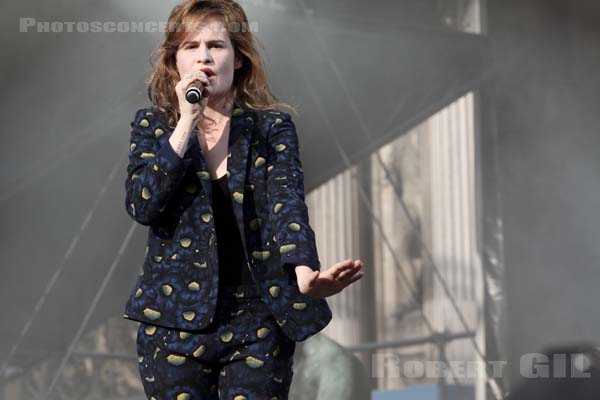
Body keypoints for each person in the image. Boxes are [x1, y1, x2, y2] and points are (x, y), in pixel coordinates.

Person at [122, 1, 364, 398]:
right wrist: (185, 123)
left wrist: (305, 273)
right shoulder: (152, 126)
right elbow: (142, 203)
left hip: (257, 320)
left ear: (237, 59)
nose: (204, 56)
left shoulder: (271, 128)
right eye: (190, 46)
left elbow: (287, 203)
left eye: (216, 45)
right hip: (172, 322)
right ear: (174, 62)